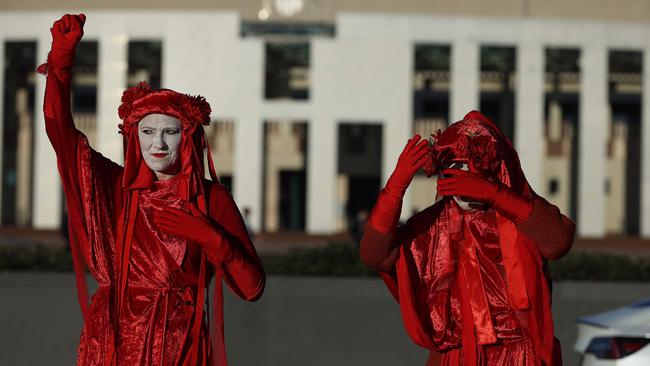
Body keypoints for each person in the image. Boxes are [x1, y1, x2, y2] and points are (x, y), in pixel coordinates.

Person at [39, 14, 265, 365]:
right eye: (147, 132)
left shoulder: (211, 199)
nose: (157, 143)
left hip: (178, 347)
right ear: (133, 137)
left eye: (170, 132)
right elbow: (61, 134)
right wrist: (62, 62)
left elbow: (252, 288)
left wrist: (213, 238)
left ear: (187, 137)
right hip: (111, 344)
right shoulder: (115, 186)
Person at [360, 111, 574, 365]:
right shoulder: (430, 226)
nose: (463, 179)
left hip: (519, 358)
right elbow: (374, 255)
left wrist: (497, 196)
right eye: (455, 168)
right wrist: (395, 188)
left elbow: (558, 242)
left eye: (472, 169)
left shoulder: (518, 215)